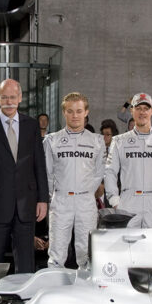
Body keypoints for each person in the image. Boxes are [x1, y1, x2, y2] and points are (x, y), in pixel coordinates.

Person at [0, 79, 49, 273]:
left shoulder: (31, 125)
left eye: (12, 97)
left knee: (25, 262)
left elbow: (39, 165)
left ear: (20, 98)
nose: (9, 101)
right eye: (4, 97)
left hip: (26, 204)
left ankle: (23, 298)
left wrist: (42, 199)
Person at [43, 92, 104, 269]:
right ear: (64, 113)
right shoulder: (52, 140)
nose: (75, 115)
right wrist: (54, 196)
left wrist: (85, 192)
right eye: (70, 111)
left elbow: (99, 173)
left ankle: (86, 294)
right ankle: (55, 293)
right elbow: (47, 173)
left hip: (86, 200)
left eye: (79, 111)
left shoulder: (97, 141)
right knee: (56, 253)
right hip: (61, 200)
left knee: (86, 254)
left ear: (86, 112)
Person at [104, 93, 152, 228]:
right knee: (128, 247)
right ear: (132, 110)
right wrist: (115, 200)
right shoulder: (119, 141)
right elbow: (109, 172)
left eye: (146, 108)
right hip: (128, 202)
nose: (142, 112)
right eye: (138, 108)